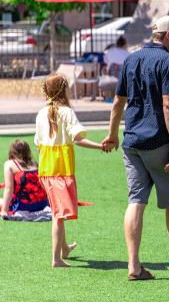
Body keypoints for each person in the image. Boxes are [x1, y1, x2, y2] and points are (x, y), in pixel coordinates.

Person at [102, 15, 169, 280]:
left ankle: (133, 266)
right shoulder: (168, 62)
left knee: (136, 201)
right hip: (158, 141)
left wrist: (112, 135)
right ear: (168, 35)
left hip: (132, 141)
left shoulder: (131, 58)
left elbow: (117, 102)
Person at [35, 74, 104, 267]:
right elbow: (78, 139)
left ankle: (64, 248)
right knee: (58, 215)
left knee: (58, 211)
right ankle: (56, 259)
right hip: (61, 169)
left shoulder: (41, 113)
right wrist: (100, 146)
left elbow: (38, 143)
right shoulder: (66, 112)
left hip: (46, 169)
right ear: (63, 90)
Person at [1, 140, 49, 217]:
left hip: (23, 206)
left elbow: (9, 189)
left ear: (12, 152)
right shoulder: (34, 163)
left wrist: (4, 210)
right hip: (42, 204)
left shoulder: (9, 164)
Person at [100, 36, 129, 101]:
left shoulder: (110, 51)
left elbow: (105, 62)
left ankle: (107, 95)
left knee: (105, 69)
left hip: (111, 77)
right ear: (125, 44)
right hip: (124, 78)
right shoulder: (128, 54)